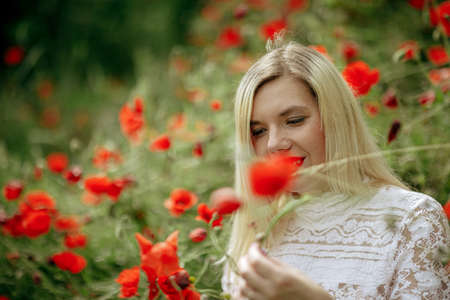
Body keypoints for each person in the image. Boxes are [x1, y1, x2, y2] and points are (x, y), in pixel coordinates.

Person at [222, 40, 450, 299]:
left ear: (336, 118)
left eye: (294, 120)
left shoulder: (412, 219)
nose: (274, 143)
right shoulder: (256, 230)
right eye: (258, 131)